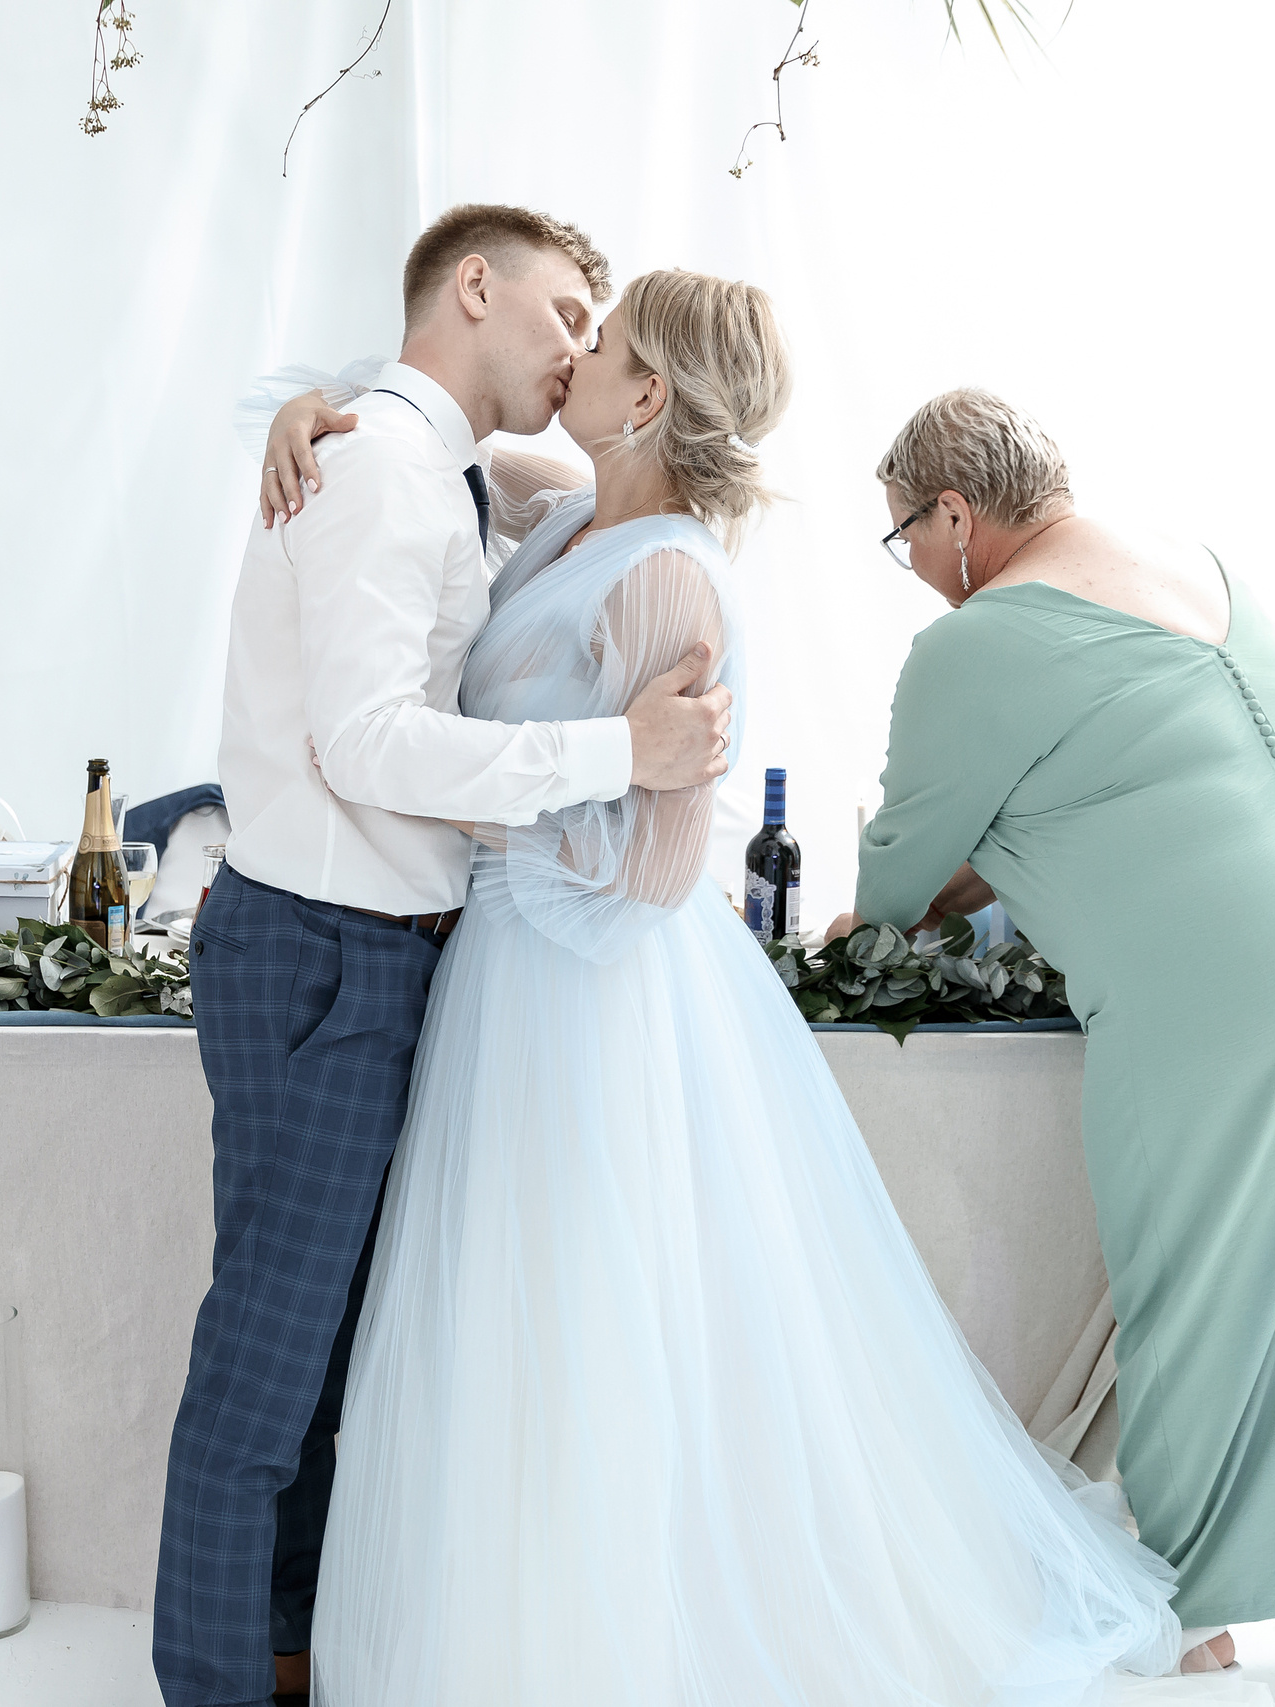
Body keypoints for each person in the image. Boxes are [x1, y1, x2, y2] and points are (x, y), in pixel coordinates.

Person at [255, 276, 1270, 1707]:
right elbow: (434, 451)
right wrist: (317, 412)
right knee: (509, 1327)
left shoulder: (673, 575)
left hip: (583, 1002)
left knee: (586, 1318)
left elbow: (654, 874)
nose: (574, 354)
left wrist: (477, 824)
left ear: (654, 396)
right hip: (507, 982)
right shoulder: (560, 510)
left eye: (599, 344)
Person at [155, 205, 739, 1707]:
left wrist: (310, 398)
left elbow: (600, 491)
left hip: (403, 955)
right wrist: (625, 744)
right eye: (563, 309)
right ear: (474, 287)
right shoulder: (376, 471)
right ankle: (216, 1682)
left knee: (334, 1356)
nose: (575, 343)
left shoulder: (452, 474)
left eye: (599, 330)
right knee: (269, 1368)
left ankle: (285, 1648)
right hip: (322, 951)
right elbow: (365, 742)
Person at [837, 388, 1275, 1672]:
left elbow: (902, 879)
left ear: (954, 515)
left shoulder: (976, 639)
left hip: (1227, 973)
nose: (915, 575)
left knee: (1194, 1263)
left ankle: (1189, 1604)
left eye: (905, 540)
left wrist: (908, 896)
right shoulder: (1197, 560)